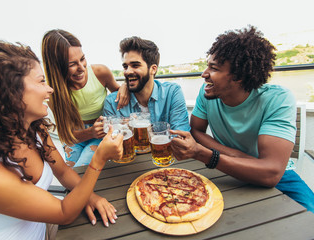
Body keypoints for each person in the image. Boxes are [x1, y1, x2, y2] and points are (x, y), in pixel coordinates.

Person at [0, 41, 123, 240]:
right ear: (9, 92)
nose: (50, 89)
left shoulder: (34, 129)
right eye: (41, 81)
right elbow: (63, 212)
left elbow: (63, 171)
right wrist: (99, 159)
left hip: (44, 229)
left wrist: (91, 196)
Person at [170, 26, 314, 212]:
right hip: (223, 168)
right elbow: (196, 131)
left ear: (239, 76)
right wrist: (233, 154)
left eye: (213, 68)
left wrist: (204, 154)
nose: (204, 74)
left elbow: (271, 173)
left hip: (277, 175)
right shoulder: (206, 93)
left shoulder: (278, 99)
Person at [41, 29, 129, 167]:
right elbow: (66, 136)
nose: (81, 68)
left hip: (101, 131)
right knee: (71, 172)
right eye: (72, 64)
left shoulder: (100, 72)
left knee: (81, 169)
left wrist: (124, 87)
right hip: (76, 136)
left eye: (82, 59)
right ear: (56, 67)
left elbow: (120, 96)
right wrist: (90, 132)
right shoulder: (53, 93)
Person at [103, 36, 190, 132]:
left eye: (135, 65)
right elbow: (111, 141)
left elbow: (181, 135)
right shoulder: (112, 102)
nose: (127, 71)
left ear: (153, 69)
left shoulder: (172, 93)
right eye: (125, 66)